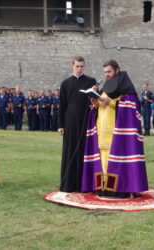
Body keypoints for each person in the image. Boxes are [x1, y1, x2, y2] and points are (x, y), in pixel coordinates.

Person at [81, 59, 148, 198]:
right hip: (101, 131)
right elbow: (100, 107)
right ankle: (103, 188)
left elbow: (130, 109)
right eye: (105, 72)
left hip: (118, 135)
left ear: (117, 70)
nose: (107, 75)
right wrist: (95, 101)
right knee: (103, 159)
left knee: (115, 159)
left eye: (109, 71)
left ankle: (119, 189)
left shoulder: (126, 89)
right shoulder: (106, 87)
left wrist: (110, 103)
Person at [58, 56, 96, 192]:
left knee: (85, 151)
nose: (79, 69)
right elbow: (62, 105)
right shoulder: (65, 83)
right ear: (72, 66)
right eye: (77, 66)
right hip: (70, 122)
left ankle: (85, 184)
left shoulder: (91, 81)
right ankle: (69, 184)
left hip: (86, 121)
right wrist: (60, 124)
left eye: (82, 66)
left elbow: (95, 103)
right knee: (70, 151)